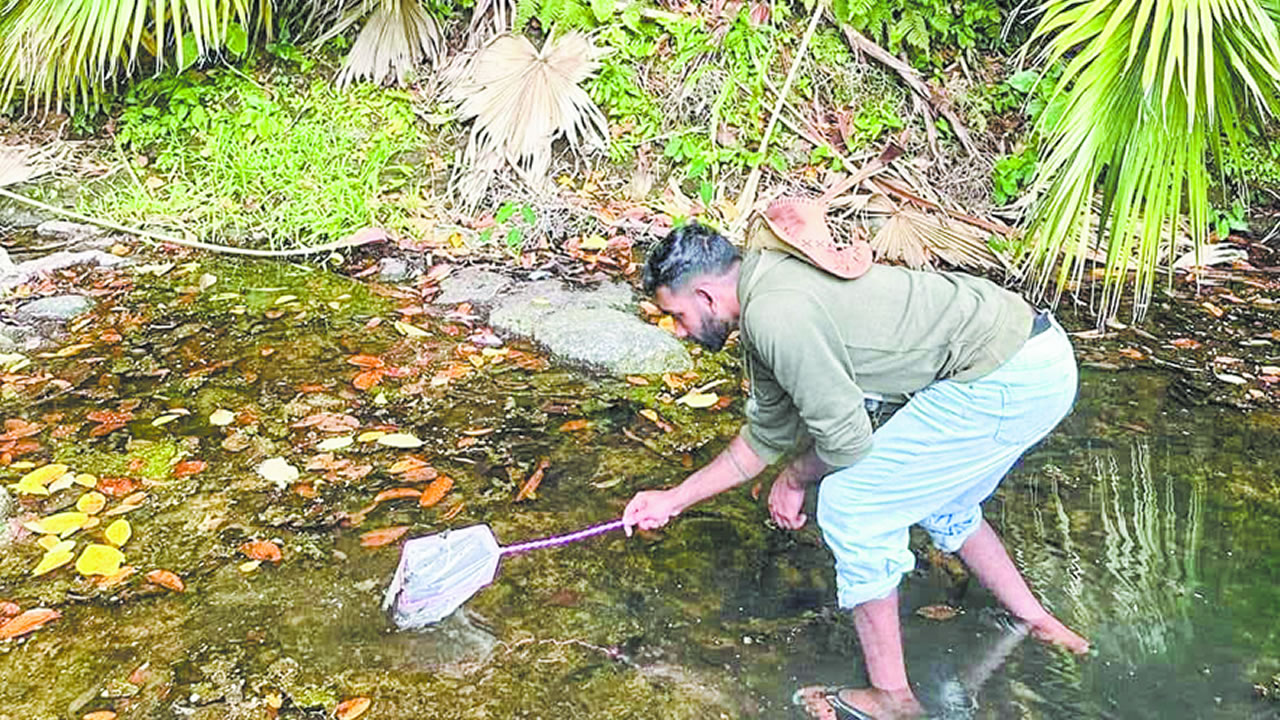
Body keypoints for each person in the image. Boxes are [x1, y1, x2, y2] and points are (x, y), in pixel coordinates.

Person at [622, 222, 1089, 720]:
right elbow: (763, 439)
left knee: (853, 504)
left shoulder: (776, 315)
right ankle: (1036, 620)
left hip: (1009, 377)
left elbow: (846, 441)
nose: (677, 328)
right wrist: (672, 499)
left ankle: (892, 699)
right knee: (943, 502)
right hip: (1037, 356)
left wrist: (796, 477)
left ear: (706, 295)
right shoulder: (766, 284)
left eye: (676, 314)